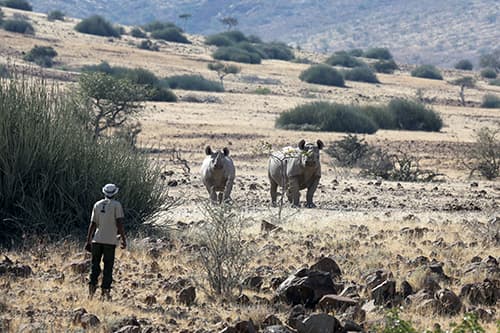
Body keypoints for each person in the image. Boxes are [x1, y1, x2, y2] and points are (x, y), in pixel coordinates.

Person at [85, 183, 127, 300]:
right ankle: (105, 292)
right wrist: (123, 239)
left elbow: (92, 224)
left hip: (97, 240)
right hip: (110, 241)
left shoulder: (97, 204)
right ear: (115, 193)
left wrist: (88, 240)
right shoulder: (116, 205)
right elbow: (119, 223)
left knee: (95, 266)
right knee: (108, 267)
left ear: (104, 192)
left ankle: (91, 292)